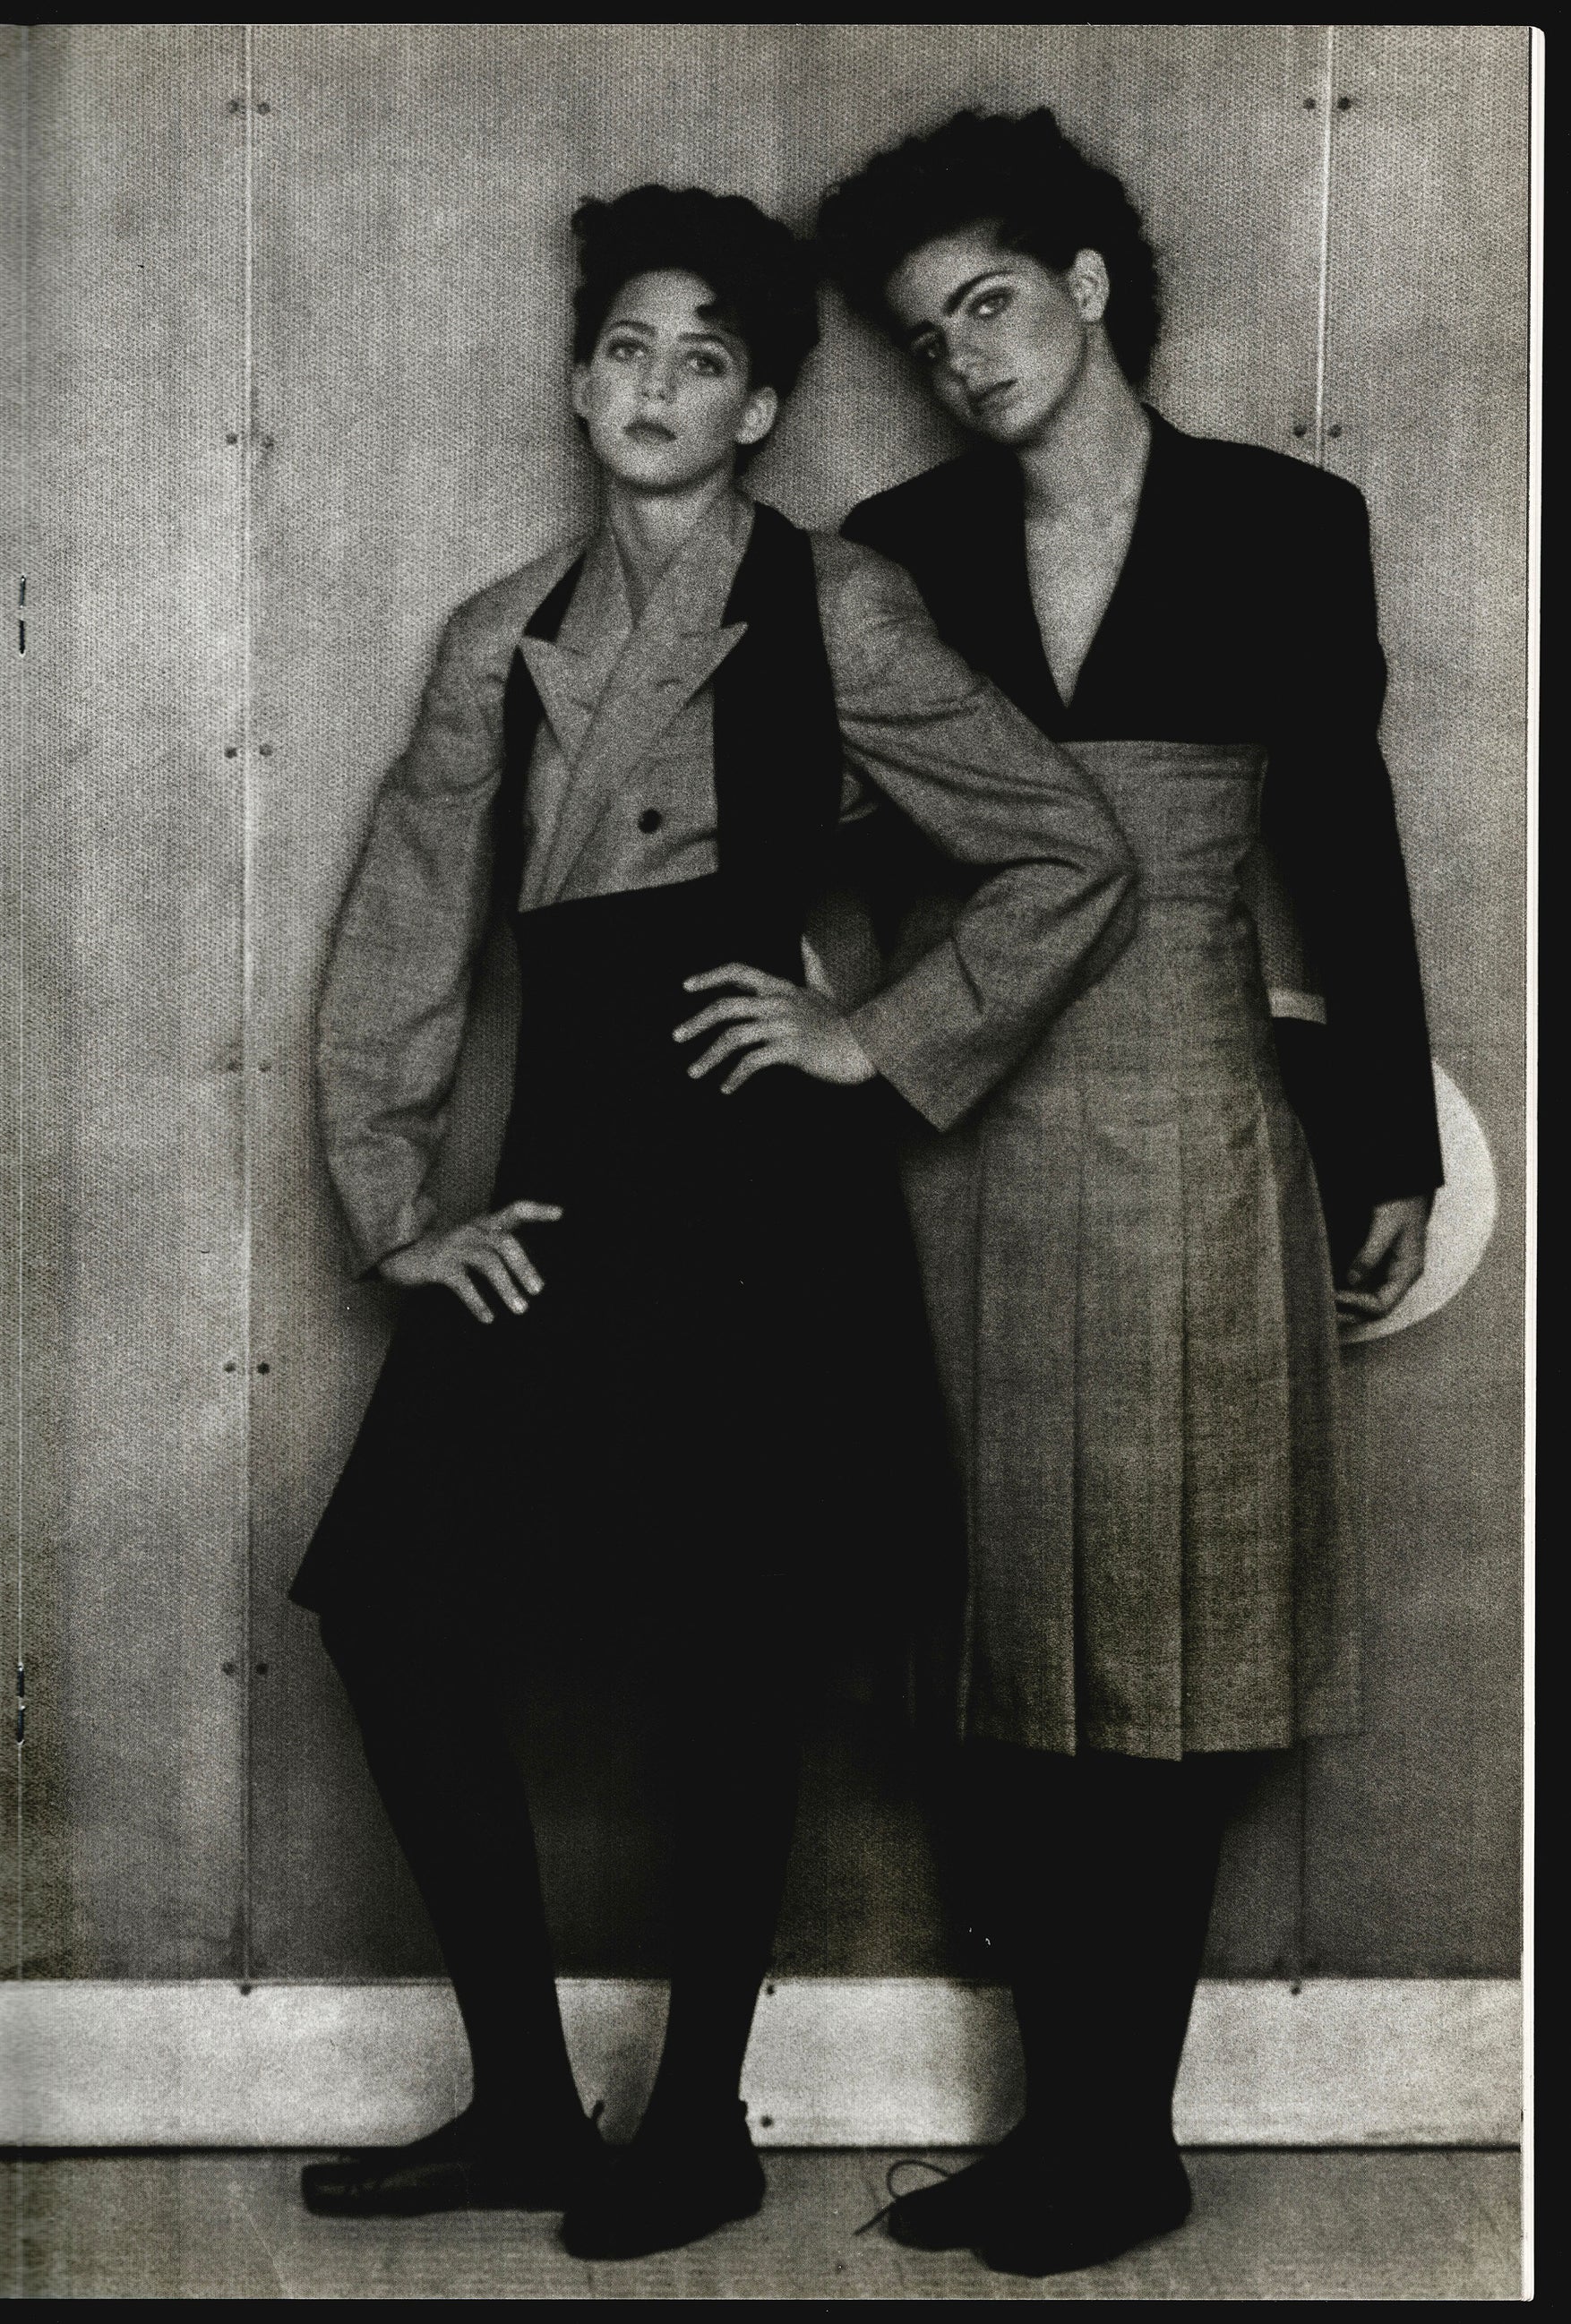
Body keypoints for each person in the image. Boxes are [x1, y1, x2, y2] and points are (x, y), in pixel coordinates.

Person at [289, 181, 1137, 2263]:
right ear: (581, 382)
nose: (655, 387)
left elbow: (1066, 848)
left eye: (704, 360)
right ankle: (520, 2098)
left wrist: (874, 1034)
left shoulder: (834, 602)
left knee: (720, 1644)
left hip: (756, 1186)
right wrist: (397, 1204)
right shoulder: (495, 636)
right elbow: (403, 931)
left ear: (758, 408)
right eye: (625, 349)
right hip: (568, 1161)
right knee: (395, 1599)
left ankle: (698, 2125)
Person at [815, 106, 1444, 2277]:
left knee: (1163, 1634)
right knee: (998, 1632)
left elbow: (1341, 838)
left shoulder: (1285, 520)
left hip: (1191, 1122)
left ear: (1087, 286)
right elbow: (843, 847)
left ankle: (1120, 2140)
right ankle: (1054, 2127)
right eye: (927, 335)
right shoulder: (894, 543)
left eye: (990, 303)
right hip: (959, 1139)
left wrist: (1383, 1139)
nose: (964, 357)